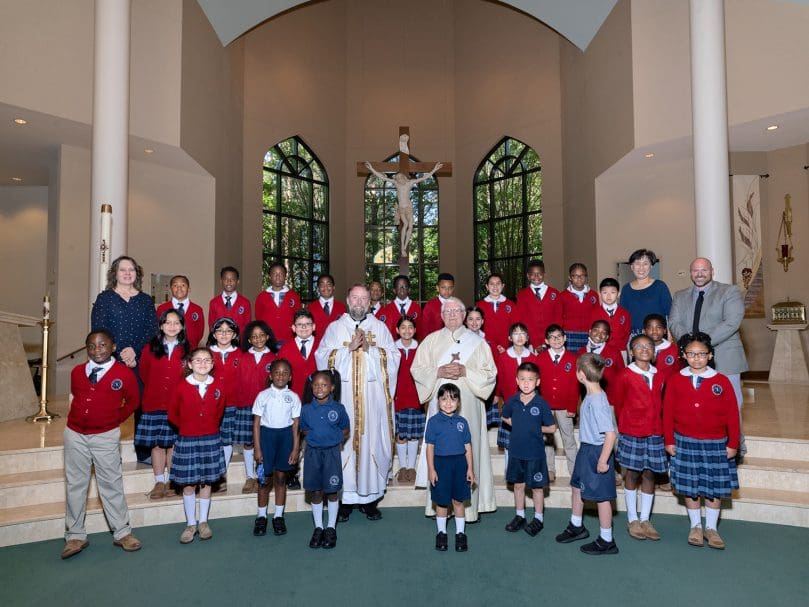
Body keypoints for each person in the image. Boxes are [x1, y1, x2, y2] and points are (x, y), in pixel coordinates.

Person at [315, 284, 400, 521]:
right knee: (343, 446)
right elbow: (322, 358)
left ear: (370, 302)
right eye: (356, 297)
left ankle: (370, 499)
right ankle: (343, 500)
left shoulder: (379, 327)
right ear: (347, 300)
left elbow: (393, 358)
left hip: (372, 400)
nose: (360, 302)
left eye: (364, 298)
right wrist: (348, 350)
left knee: (371, 441)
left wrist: (370, 351)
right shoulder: (335, 328)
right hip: (342, 401)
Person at [412, 298, 496, 523]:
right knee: (439, 451)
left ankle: (467, 509)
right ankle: (440, 506)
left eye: (456, 311)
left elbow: (490, 374)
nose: (451, 315)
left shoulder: (477, 343)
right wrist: (437, 372)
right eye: (447, 312)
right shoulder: (430, 341)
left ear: (463, 314)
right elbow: (417, 369)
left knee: (467, 448)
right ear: (441, 315)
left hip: (468, 407)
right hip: (439, 410)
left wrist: (466, 371)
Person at [61, 329, 142, 559]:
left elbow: (134, 400)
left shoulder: (123, 374)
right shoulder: (77, 372)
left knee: (111, 483)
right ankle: (75, 535)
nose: (97, 350)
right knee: (76, 484)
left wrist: (115, 419)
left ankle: (122, 532)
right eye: (92, 346)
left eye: (102, 345)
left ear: (113, 347)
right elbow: (76, 397)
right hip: (75, 434)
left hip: (105, 436)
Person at [664, 332, 740, 550]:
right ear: (684, 355)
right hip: (684, 440)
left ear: (710, 355)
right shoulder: (676, 379)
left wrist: (732, 443)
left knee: (713, 486)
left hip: (716, 442)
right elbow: (667, 412)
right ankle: (696, 526)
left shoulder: (721, 381)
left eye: (701, 354)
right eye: (691, 354)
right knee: (691, 485)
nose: (696, 358)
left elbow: (733, 415)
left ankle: (712, 528)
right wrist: (669, 439)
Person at [669, 257, 748, 456]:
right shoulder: (680, 296)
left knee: (731, 403)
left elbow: (732, 322)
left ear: (712, 271)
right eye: (695, 270)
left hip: (725, 355)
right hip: (691, 358)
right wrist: (690, 345)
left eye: (704, 270)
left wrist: (702, 343)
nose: (700, 274)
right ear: (690, 273)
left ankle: (736, 445)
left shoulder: (729, 292)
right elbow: (674, 322)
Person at [555, 353, 619, 555]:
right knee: (577, 488)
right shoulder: (591, 396)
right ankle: (576, 526)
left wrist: (603, 460)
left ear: (580, 374)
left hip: (597, 451)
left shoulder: (598, 400)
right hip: (586, 449)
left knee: (602, 497)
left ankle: (607, 540)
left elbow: (611, 434)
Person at [169, 348, 227, 544]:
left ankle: (203, 522)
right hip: (188, 438)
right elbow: (173, 414)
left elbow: (219, 412)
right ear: (190, 364)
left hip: (210, 438)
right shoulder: (181, 387)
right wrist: (188, 427)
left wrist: (207, 426)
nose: (203, 364)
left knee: (206, 482)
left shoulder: (218, 386)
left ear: (212, 364)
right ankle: (190, 523)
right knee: (189, 483)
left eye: (207, 360)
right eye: (198, 360)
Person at [613, 335, 666, 541]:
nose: (644, 349)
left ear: (654, 353)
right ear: (631, 352)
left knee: (650, 474)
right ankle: (632, 519)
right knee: (632, 474)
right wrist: (626, 425)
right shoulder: (625, 375)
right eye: (639, 346)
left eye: (649, 346)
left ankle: (645, 518)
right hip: (632, 430)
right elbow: (619, 403)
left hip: (654, 431)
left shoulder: (660, 375)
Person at [135, 309, 188, 500]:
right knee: (157, 445)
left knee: (173, 444)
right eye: (168, 322)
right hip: (154, 402)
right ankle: (159, 481)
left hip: (177, 405)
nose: (172, 326)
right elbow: (144, 373)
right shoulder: (150, 348)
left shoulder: (187, 350)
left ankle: (173, 481)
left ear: (182, 326)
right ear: (161, 325)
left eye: (176, 323)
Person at [501, 362, 556, 537]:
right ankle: (520, 516)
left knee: (537, 488)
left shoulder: (541, 403)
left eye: (530, 380)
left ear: (537, 382)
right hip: (516, 452)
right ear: (517, 381)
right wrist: (517, 425)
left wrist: (534, 428)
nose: (526, 383)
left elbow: (552, 428)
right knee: (518, 485)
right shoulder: (513, 400)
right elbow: (504, 415)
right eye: (523, 379)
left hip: (535, 454)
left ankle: (538, 518)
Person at [300, 370, 350, 549]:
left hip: (331, 455)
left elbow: (345, 429)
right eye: (316, 385)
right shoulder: (306, 409)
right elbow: (304, 429)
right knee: (316, 491)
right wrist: (316, 438)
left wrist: (332, 439)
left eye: (324, 385)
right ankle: (319, 527)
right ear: (311, 387)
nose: (319, 388)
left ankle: (330, 528)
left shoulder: (338, 409)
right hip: (313, 454)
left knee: (331, 491)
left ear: (332, 387)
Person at [251, 358, 301, 537]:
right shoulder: (263, 396)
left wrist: (295, 449)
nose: (280, 376)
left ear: (290, 377)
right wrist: (257, 448)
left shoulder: (294, 397)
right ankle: (261, 516)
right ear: (270, 375)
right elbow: (256, 424)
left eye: (285, 373)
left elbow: (296, 425)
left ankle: (278, 516)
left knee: (281, 479)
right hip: (267, 438)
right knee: (264, 480)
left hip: (285, 438)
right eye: (277, 373)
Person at [425, 383, 474, 552]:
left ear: (459, 402)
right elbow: (430, 447)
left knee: (458, 501)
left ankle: (460, 534)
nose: (448, 403)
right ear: (438, 401)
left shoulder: (463, 422)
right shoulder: (433, 422)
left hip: (460, 464)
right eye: (444, 398)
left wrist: (470, 469)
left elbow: (467, 446)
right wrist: (431, 469)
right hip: (441, 464)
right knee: (442, 501)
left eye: (453, 399)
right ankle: (442, 533)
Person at [91, 255, 158, 377]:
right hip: (111, 360)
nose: (127, 273)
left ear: (136, 273)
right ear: (114, 274)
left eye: (131, 269)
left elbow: (152, 330)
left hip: (141, 359)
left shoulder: (146, 300)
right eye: (122, 270)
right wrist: (122, 353)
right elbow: (99, 331)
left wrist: (134, 351)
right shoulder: (104, 299)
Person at [277, 309, 319, 490]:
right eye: (300, 325)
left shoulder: (322, 346)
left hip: (315, 400)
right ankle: (292, 473)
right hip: (292, 400)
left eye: (308, 324)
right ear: (293, 328)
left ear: (314, 327)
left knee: (313, 437)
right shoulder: (286, 348)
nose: (304, 328)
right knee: (293, 438)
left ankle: (314, 472)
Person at [364, 161, 443, 253]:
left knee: (411, 226)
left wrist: (434, 169)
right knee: (405, 225)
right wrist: (371, 169)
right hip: (401, 208)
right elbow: (382, 177)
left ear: (403, 177)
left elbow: (424, 178)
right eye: (397, 179)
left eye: (399, 178)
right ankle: (402, 248)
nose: (398, 180)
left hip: (408, 208)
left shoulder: (410, 183)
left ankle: (405, 246)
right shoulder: (396, 183)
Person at [237, 320, 278, 494]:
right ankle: (249, 476)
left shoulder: (274, 358)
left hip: (268, 407)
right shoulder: (243, 357)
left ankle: (264, 475)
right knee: (248, 442)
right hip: (246, 404)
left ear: (267, 337)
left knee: (265, 442)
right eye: (254, 336)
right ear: (249, 340)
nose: (258, 339)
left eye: (262, 335)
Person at [536, 324, 579, 482]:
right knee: (548, 439)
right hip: (545, 406)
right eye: (552, 337)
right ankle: (549, 469)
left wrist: (572, 407)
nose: (556, 340)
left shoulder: (572, 359)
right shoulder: (540, 358)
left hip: (564, 407)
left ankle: (574, 470)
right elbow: (536, 383)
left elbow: (575, 385)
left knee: (569, 438)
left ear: (565, 338)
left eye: (559, 337)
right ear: (546, 341)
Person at [494, 323, 540, 465]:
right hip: (511, 405)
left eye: (523, 334)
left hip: (529, 403)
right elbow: (499, 378)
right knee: (509, 441)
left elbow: (538, 380)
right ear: (509, 337)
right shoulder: (503, 357)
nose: (519, 337)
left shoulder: (533, 357)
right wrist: (497, 395)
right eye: (516, 333)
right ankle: (510, 470)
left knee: (528, 439)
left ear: (527, 338)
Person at [207, 317, 242, 489]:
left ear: (234, 334)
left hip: (231, 403)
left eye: (228, 331)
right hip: (210, 404)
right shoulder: (207, 353)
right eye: (220, 331)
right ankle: (210, 473)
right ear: (214, 333)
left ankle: (222, 474)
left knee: (227, 440)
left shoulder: (240, 354)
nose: (224, 334)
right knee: (213, 438)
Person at [393, 316, 423, 483]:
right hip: (398, 396)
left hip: (415, 396)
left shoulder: (420, 348)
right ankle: (403, 467)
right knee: (401, 434)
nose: (406, 330)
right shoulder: (392, 349)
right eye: (403, 327)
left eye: (410, 327)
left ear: (415, 330)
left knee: (413, 435)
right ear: (397, 330)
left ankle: (411, 468)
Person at [619, 249, 672, 339]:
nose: (641, 268)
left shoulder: (660, 286)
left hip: (657, 335)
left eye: (645, 264)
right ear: (632, 267)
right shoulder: (626, 289)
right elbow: (623, 316)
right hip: (633, 336)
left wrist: (670, 334)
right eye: (637, 263)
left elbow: (670, 313)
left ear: (651, 266)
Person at [576, 320, 625, 407]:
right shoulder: (581, 351)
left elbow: (622, 376)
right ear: (590, 331)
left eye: (604, 332)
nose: (599, 334)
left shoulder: (614, 352)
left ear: (607, 337)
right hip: (588, 398)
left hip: (609, 400)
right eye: (596, 330)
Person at [516, 259, 561, 350]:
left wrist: (549, 341)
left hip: (551, 341)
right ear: (528, 276)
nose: (536, 276)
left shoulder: (554, 293)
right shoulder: (522, 295)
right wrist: (532, 342)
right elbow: (521, 319)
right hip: (530, 343)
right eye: (532, 274)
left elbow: (558, 318)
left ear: (544, 274)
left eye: (539, 273)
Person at [255, 262, 302, 346]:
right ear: (269, 276)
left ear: (285, 276)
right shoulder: (261, 297)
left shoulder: (293, 296)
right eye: (274, 274)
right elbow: (258, 317)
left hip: (288, 339)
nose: (278, 276)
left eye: (281, 274)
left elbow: (298, 317)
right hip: (268, 340)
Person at [476, 272, 520, 354]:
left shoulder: (510, 304)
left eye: (498, 283)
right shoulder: (480, 305)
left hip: (507, 346)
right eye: (492, 284)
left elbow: (515, 326)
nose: (495, 286)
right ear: (487, 286)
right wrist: (491, 344)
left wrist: (506, 344)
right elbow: (478, 327)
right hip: (486, 346)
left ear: (503, 286)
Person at [559, 262, 599, 352]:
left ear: (586, 277)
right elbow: (559, 317)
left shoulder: (593, 295)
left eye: (582, 275)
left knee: (588, 362)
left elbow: (597, 316)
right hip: (569, 335)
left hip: (589, 335)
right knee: (571, 362)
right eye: (575, 276)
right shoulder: (562, 296)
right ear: (570, 277)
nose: (579, 278)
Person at [156, 274, 205, 347]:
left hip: (191, 350)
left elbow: (200, 332)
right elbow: (158, 329)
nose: (179, 288)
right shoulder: (162, 308)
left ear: (189, 289)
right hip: (167, 349)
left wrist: (193, 344)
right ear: (170, 289)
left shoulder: (197, 309)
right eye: (175, 285)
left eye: (183, 285)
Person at [208, 266, 251, 334]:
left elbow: (248, 327)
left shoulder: (245, 303)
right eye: (225, 279)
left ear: (238, 281)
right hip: (219, 342)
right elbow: (211, 325)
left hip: (239, 343)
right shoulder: (214, 302)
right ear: (221, 281)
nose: (229, 282)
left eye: (232, 279)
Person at [591, 277, 630, 351]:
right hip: (600, 350)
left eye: (612, 292)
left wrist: (621, 346)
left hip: (620, 350)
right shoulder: (594, 313)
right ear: (600, 294)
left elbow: (627, 333)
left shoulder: (625, 313)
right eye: (605, 292)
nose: (609, 296)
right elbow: (592, 332)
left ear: (618, 294)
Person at [378, 274, 422, 339]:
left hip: (412, 346)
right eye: (399, 286)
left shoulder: (416, 308)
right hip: (392, 347)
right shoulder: (387, 309)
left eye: (404, 286)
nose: (402, 288)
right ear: (394, 290)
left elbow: (420, 330)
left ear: (409, 289)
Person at [308, 274, 346, 347]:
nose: (325, 287)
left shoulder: (342, 308)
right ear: (318, 288)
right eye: (322, 285)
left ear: (334, 287)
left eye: (328, 284)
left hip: (336, 348)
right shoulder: (310, 308)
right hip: (315, 347)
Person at [643, 313, 681, 383]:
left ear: (664, 331)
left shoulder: (673, 349)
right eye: (650, 328)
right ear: (644, 331)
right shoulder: (641, 350)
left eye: (658, 327)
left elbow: (678, 370)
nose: (654, 331)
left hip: (668, 387)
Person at [421, 273, 456, 337]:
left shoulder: (457, 304)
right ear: (437, 288)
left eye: (450, 288)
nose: (447, 291)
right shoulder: (430, 305)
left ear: (453, 288)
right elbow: (424, 328)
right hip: (434, 342)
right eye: (443, 287)